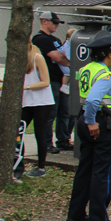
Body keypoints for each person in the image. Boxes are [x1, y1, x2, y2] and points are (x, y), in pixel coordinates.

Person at [66, 33, 111, 221]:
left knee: (85, 169)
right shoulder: (104, 75)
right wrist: (92, 122)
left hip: (84, 121)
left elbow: (93, 97)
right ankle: (98, 218)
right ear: (107, 55)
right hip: (100, 124)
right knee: (103, 172)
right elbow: (94, 100)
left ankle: (75, 215)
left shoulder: (86, 69)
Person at [31, 10, 71, 153]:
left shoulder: (56, 40)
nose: (56, 26)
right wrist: (71, 62)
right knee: (50, 113)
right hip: (50, 80)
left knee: (64, 112)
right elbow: (58, 58)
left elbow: (63, 55)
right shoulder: (40, 39)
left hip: (61, 81)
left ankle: (63, 140)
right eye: (54, 23)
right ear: (44, 21)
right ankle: (47, 143)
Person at [20, 40, 54, 178]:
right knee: (19, 130)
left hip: (42, 101)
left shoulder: (37, 57)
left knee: (39, 133)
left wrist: (26, 87)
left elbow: (46, 82)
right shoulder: (19, 58)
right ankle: (17, 163)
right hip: (27, 102)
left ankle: (41, 168)